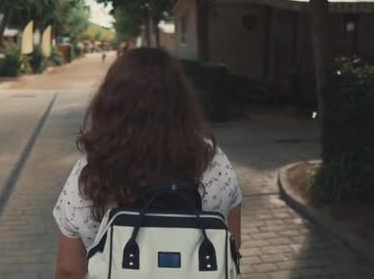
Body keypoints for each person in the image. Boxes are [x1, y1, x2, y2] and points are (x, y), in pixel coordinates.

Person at [53, 48, 242, 279]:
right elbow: (233, 244)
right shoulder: (213, 160)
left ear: (110, 103)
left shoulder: (90, 170)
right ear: (182, 102)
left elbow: (69, 270)